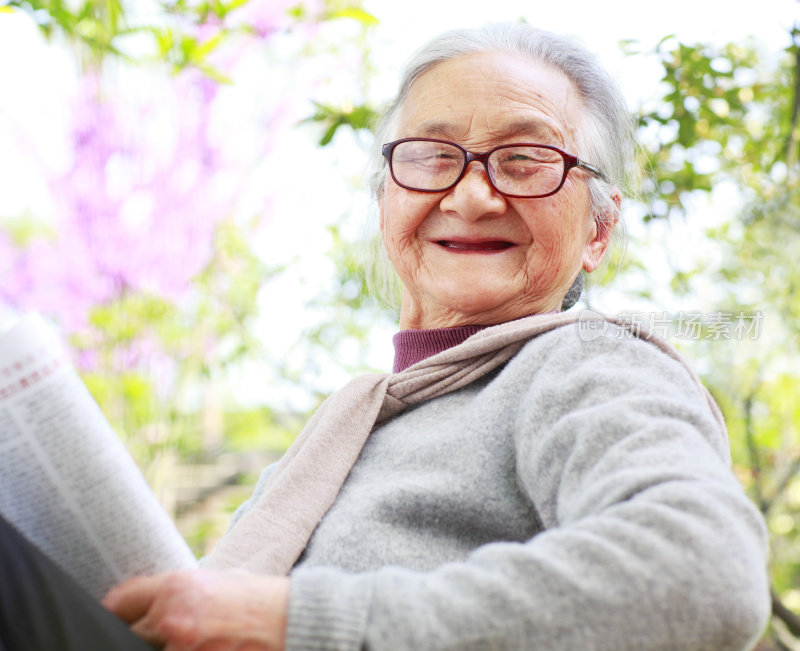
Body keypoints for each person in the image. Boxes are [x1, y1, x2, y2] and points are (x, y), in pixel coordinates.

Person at [1, 22, 769, 651]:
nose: (470, 195)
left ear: (599, 231)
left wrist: (294, 619)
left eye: (526, 160)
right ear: (387, 203)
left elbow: (705, 570)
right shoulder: (346, 432)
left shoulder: (586, 363)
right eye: (433, 157)